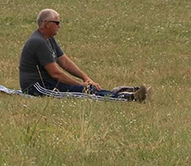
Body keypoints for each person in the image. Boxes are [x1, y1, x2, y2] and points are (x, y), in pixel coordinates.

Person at [19, 9, 150, 101]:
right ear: (47, 23)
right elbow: (56, 73)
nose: (59, 26)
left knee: (86, 89)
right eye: (57, 23)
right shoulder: (39, 42)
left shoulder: (49, 39)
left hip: (48, 82)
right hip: (37, 86)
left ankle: (122, 92)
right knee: (83, 93)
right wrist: (80, 85)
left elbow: (64, 62)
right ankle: (129, 98)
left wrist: (86, 79)